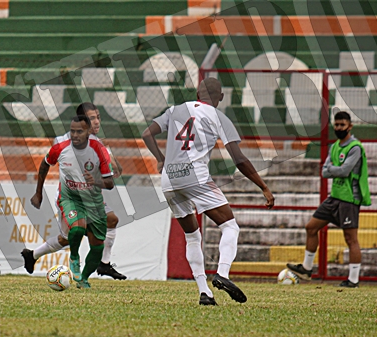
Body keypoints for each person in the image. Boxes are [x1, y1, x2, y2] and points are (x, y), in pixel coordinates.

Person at [142, 77, 274, 305]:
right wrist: (263, 186)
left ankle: (205, 292)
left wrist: (161, 159)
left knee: (192, 236)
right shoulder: (219, 117)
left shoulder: (175, 110)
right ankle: (222, 273)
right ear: (220, 97)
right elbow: (239, 159)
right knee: (230, 226)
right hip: (195, 177)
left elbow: (147, 134)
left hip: (169, 180)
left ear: (197, 93)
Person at [22, 103, 127, 280]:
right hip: (69, 197)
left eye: (98, 117)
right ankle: (32, 255)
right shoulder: (64, 142)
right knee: (68, 238)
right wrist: (38, 192)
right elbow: (48, 163)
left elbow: (117, 172)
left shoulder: (98, 143)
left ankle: (104, 264)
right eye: (92, 118)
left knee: (112, 220)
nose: (97, 122)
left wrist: (108, 157)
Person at [287, 111, 371, 287]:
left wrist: (333, 168)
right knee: (311, 227)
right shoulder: (334, 147)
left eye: (342, 125)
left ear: (350, 126)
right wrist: (334, 169)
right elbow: (324, 172)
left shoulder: (355, 147)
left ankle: (353, 280)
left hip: (349, 199)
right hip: (334, 197)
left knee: (351, 239)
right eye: (336, 125)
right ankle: (307, 268)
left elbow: (344, 171)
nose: (339, 128)